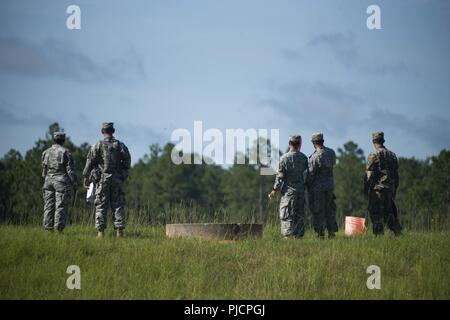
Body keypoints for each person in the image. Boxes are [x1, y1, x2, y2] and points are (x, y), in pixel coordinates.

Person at [83, 122, 131, 238]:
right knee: (118, 204)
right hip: (116, 180)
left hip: (102, 180)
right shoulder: (120, 145)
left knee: (101, 205)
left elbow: (89, 162)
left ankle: (101, 233)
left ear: (102, 131)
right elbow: (127, 162)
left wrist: (86, 177)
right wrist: (122, 175)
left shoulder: (97, 145)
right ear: (113, 131)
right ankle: (119, 232)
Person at [269, 135, 308, 238]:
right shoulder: (304, 158)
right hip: (300, 191)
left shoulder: (284, 158)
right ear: (299, 144)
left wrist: (274, 190)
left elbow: (280, 177)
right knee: (299, 215)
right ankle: (298, 238)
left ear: (289, 143)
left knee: (287, 215)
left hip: (288, 192)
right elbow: (308, 174)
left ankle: (288, 238)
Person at [364, 132, 402, 236]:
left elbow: (369, 174)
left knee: (376, 215)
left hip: (378, 190)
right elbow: (396, 176)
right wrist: (394, 190)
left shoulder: (374, 154)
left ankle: (379, 237)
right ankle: (398, 233)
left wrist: (365, 189)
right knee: (389, 214)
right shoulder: (392, 155)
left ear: (373, 142)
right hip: (389, 190)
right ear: (383, 141)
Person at [41, 132, 76, 233]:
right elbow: (70, 170)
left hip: (48, 181)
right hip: (61, 181)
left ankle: (48, 229)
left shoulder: (45, 152)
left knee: (48, 206)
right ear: (63, 140)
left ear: (54, 139)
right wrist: (74, 182)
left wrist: (46, 178)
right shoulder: (66, 152)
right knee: (60, 206)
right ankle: (59, 230)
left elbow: (43, 170)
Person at [306, 133, 338, 238]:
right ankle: (331, 232)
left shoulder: (314, 157)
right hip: (329, 186)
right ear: (322, 141)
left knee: (318, 210)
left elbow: (311, 174)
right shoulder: (331, 153)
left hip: (318, 188)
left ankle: (320, 233)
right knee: (330, 209)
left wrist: (307, 185)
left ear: (314, 143)